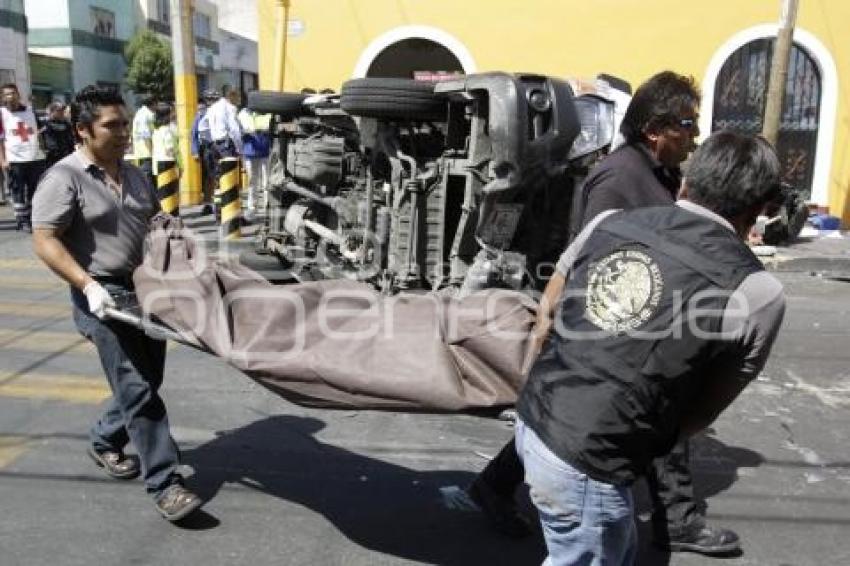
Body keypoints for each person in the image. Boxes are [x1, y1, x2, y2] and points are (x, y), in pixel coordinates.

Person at [470, 71, 744, 556]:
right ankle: (677, 520)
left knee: (572, 419)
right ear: (656, 128)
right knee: (619, 416)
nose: (694, 135)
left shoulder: (661, 175)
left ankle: (494, 485)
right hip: (607, 318)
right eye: (687, 123)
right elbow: (590, 253)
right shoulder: (620, 177)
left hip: (632, 319)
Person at [515, 130, 785, 565]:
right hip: (590, 465)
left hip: (535, 423)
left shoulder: (609, 223)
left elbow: (545, 316)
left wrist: (534, 388)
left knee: (616, 549)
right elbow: (700, 412)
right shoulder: (758, 291)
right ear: (760, 210)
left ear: (685, 183)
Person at [31, 85, 203, 522]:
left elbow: (153, 226)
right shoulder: (64, 178)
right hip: (102, 296)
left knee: (149, 378)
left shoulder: (138, 175)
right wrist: (87, 285)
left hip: (144, 291)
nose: (123, 132)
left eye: (125, 123)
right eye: (112, 125)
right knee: (139, 389)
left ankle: (105, 439)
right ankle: (165, 483)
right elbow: (45, 240)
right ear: (83, 130)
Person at [0, 83, 47, 232]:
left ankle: (34, 217)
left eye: (13, 93)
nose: (10, 96)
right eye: (7, 94)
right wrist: (2, 159)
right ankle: (22, 220)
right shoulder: (1, 114)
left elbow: (40, 131)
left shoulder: (30, 111)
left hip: (34, 157)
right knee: (17, 191)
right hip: (15, 160)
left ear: (18, 94)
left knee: (35, 189)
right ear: (2, 97)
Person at [237, 105, 271, 221]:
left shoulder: (266, 112)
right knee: (252, 181)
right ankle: (252, 207)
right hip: (250, 151)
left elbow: (269, 127)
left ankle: (267, 205)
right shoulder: (243, 114)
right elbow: (240, 130)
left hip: (265, 150)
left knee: (267, 181)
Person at [131, 93, 156, 189]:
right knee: (147, 174)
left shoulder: (140, 113)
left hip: (142, 149)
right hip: (146, 150)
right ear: (153, 103)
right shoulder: (146, 115)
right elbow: (144, 133)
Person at [41, 101, 76, 167]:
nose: (62, 113)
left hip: (65, 155)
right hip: (51, 157)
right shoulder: (44, 123)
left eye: (62, 110)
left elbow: (71, 139)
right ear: (52, 111)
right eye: (59, 111)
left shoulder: (67, 124)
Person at [152, 103, 180, 176]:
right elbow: (169, 150)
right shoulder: (167, 130)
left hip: (158, 161)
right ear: (166, 115)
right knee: (169, 187)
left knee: (163, 186)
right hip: (168, 162)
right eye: (171, 112)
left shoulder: (156, 130)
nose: (173, 114)